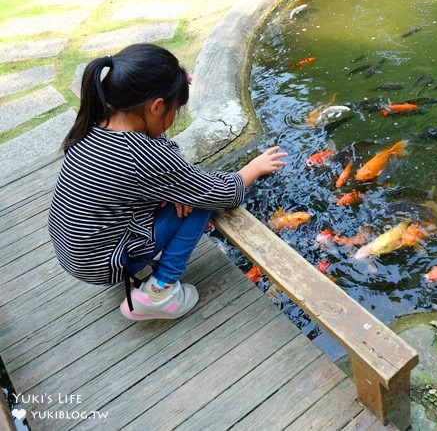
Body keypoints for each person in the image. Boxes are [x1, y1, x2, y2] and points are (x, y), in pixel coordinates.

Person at [48, 43, 287, 321]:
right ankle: (160, 290)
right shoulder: (142, 153)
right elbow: (220, 193)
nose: (173, 119)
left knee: (187, 193)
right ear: (157, 106)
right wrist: (252, 169)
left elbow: (134, 180)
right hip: (104, 264)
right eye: (175, 111)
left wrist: (172, 190)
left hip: (76, 252)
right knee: (199, 202)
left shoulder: (95, 120)